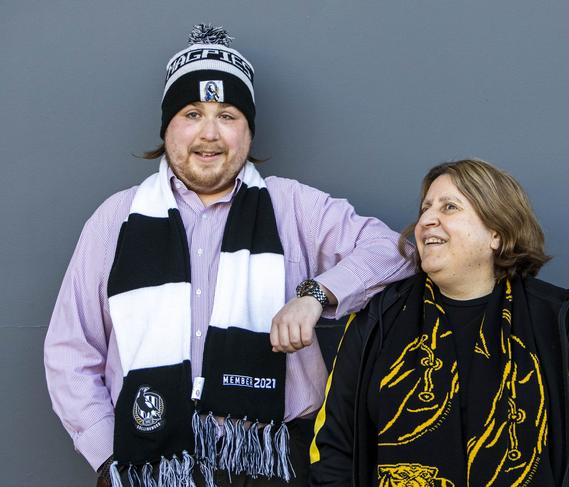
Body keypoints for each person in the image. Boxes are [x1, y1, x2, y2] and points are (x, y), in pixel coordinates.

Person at [44, 23, 413, 487]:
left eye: (228, 115)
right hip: (146, 460)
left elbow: (397, 251)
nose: (210, 134)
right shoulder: (115, 218)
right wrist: (109, 458)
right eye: (193, 113)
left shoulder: (292, 205)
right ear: (168, 127)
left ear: (249, 132)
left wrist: (316, 294)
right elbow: (70, 349)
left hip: (273, 460)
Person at [310, 158, 569, 486]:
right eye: (425, 208)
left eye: (449, 207)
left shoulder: (557, 319)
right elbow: (334, 444)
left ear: (497, 234)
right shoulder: (378, 317)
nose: (427, 220)